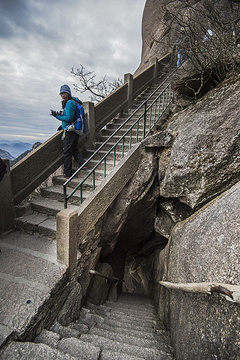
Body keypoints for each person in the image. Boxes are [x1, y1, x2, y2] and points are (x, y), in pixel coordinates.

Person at [51, 84, 86, 178]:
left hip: (70, 131)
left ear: (68, 93)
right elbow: (69, 115)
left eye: (64, 93)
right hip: (75, 130)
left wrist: (57, 116)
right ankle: (82, 164)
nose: (63, 95)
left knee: (67, 152)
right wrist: (61, 125)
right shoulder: (74, 102)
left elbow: (69, 117)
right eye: (61, 93)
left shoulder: (70, 103)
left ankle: (68, 173)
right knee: (74, 149)